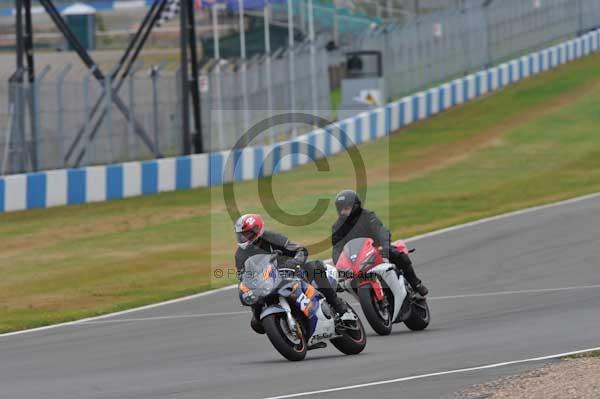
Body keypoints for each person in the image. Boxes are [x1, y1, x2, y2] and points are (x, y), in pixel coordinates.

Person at [234, 213, 349, 334]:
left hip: (291, 271)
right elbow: (243, 277)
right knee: (256, 322)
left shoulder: (272, 237)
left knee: (315, 266)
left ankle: (337, 306)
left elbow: (300, 250)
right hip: (267, 282)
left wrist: (294, 262)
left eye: (246, 233)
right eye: (241, 235)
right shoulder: (240, 254)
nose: (243, 238)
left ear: (256, 230)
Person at [331, 190, 429, 296]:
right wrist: (339, 266)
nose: (343, 212)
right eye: (341, 209)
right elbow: (337, 248)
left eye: (346, 208)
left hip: (377, 249)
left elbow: (380, 230)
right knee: (347, 282)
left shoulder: (367, 215)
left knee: (398, 255)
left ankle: (416, 284)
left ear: (355, 206)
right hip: (356, 259)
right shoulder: (337, 227)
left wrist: (385, 247)